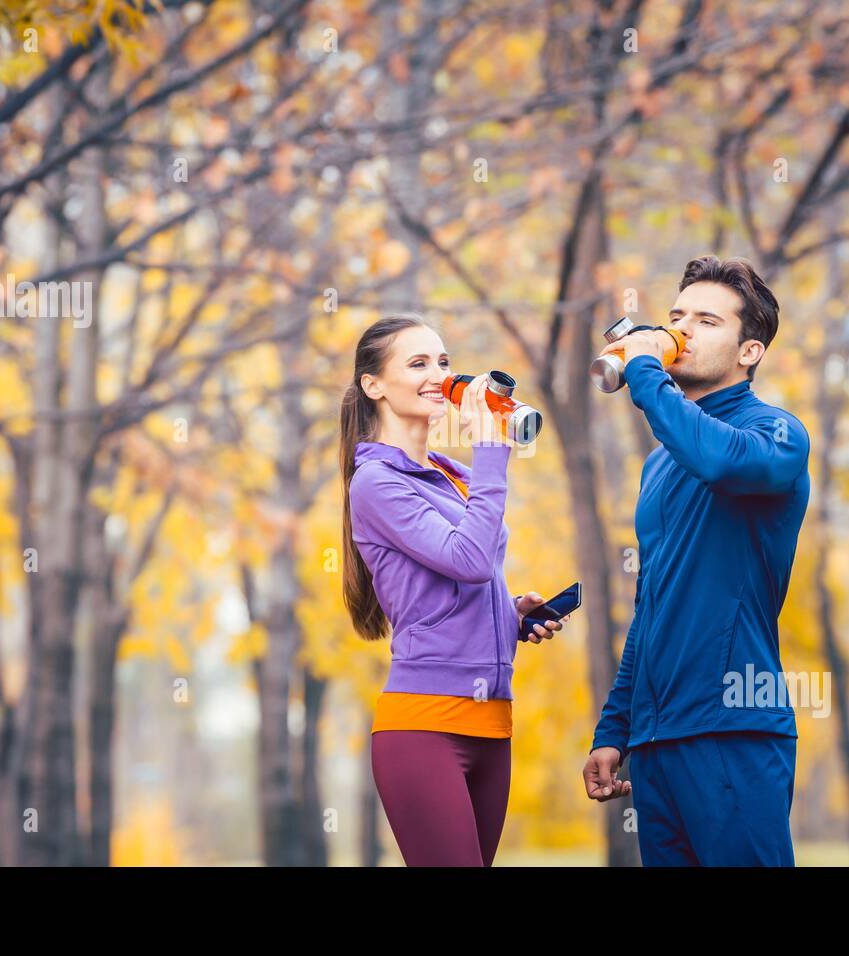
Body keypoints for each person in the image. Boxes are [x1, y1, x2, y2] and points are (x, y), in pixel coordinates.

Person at [582, 256, 811, 866]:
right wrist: (615, 730)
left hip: (732, 727)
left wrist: (647, 372)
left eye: (706, 321)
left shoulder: (778, 433)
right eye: (676, 316)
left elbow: (720, 460)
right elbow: (651, 607)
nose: (681, 329)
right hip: (656, 743)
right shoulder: (658, 464)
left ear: (749, 352)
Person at [341, 314, 568, 867]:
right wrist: (493, 451)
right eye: (417, 363)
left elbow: (465, 575)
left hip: (493, 721)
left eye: (442, 362)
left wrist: (508, 615)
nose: (437, 375)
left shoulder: (450, 473)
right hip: (425, 726)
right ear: (373, 385)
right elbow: (467, 560)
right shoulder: (376, 482)